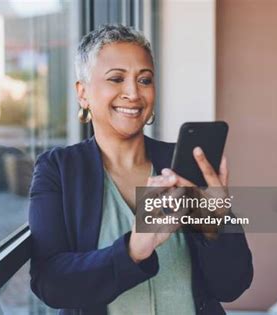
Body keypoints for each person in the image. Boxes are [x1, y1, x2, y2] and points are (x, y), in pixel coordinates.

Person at [28, 24, 253, 315]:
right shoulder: (57, 169)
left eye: (144, 80)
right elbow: (50, 282)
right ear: (83, 93)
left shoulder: (182, 165)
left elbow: (233, 285)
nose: (133, 93)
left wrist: (216, 223)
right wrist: (133, 250)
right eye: (116, 78)